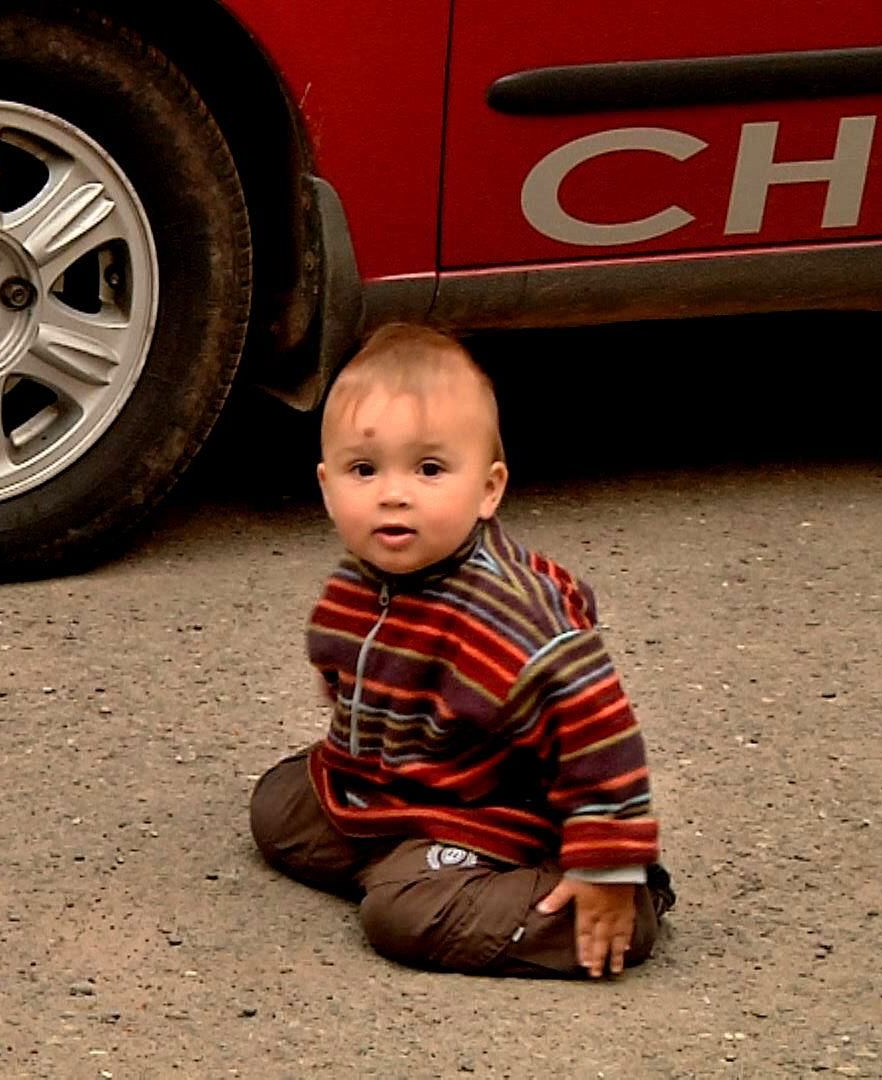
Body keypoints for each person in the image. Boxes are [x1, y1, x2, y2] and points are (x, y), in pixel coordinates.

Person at [249, 322, 674, 978]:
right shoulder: (368, 581)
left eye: (429, 469)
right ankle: (401, 856)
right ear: (328, 487)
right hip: (402, 784)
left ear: (488, 489)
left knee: (400, 918)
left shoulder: (515, 618)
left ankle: (611, 908)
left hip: (501, 813)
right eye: (365, 470)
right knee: (276, 808)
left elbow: (601, 737)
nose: (394, 492)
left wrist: (608, 861)